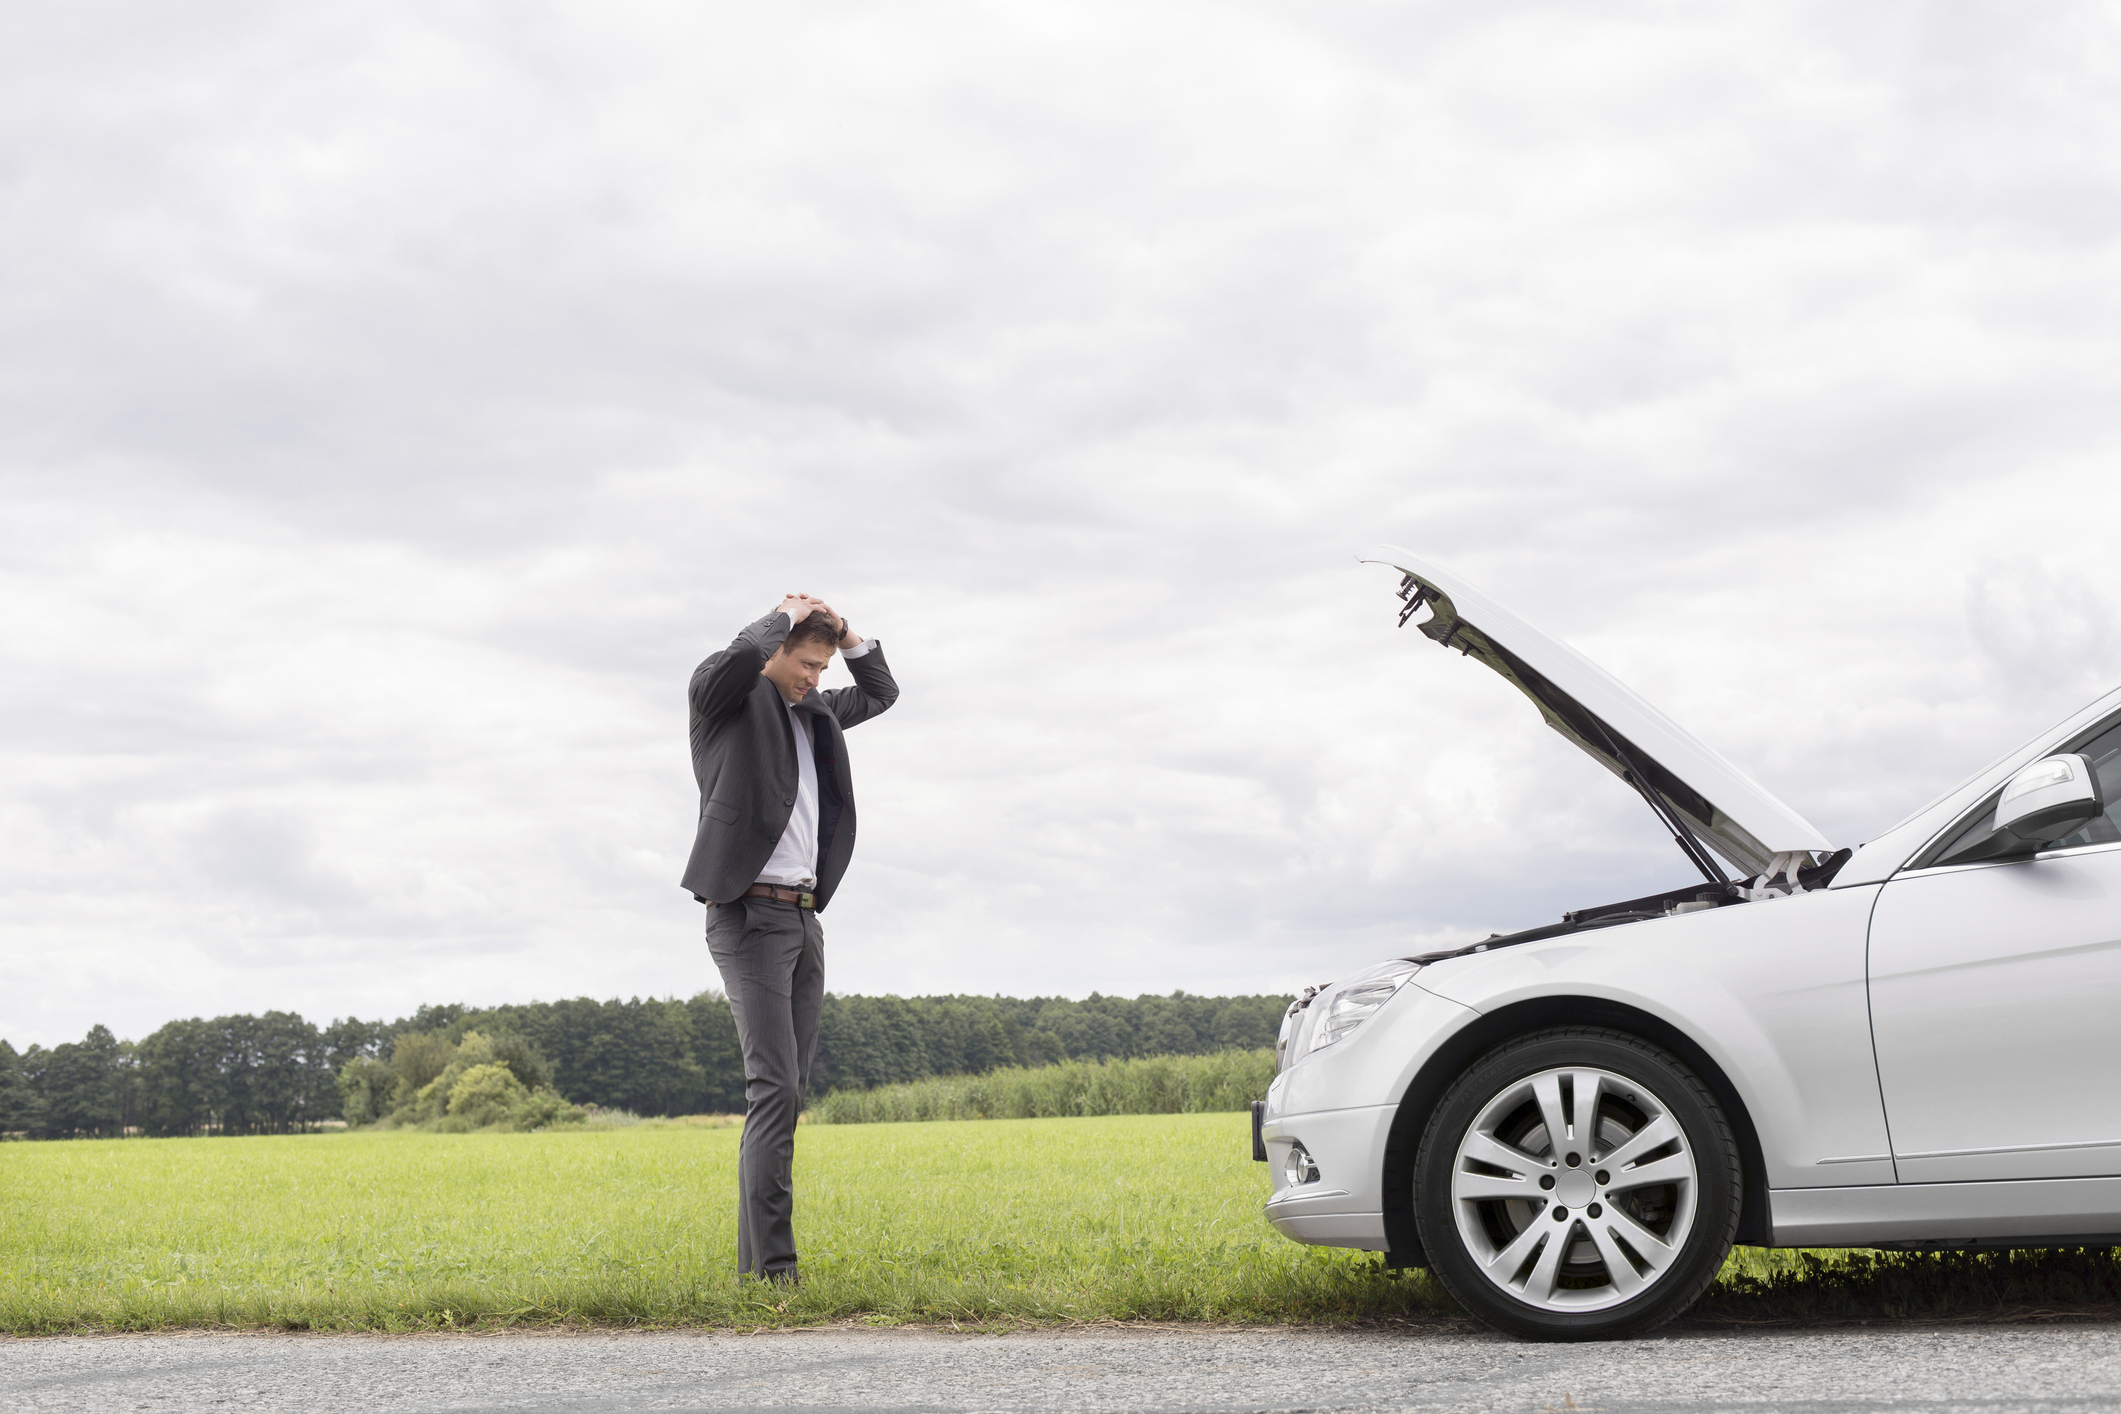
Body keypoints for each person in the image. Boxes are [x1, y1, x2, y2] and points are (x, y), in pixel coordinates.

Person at [681, 593, 899, 1282]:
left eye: (821, 666)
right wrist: (780, 614)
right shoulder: (725, 703)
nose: (813, 677)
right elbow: (736, 660)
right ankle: (773, 1272)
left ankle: (760, 1269)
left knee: (789, 1091)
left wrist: (845, 634)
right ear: (774, 649)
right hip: (748, 915)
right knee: (772, 1088)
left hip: (804, 918)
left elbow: (881, 691)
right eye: (805, 664)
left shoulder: (816, 713)